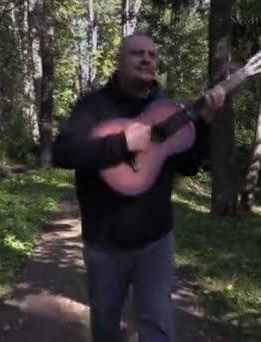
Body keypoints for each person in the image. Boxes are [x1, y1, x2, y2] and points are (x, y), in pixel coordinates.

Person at [51, 33, 225, 342]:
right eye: (137, 53)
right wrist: (121, 144)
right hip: (104, 244)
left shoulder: (168, 111)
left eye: (152, 55)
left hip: (156, 241)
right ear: (119, 60)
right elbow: (63, 153)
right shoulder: (93, 106)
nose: (147, 59)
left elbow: (188, 165)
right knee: (105, 327)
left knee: (158, 326)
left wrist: (207, 125)